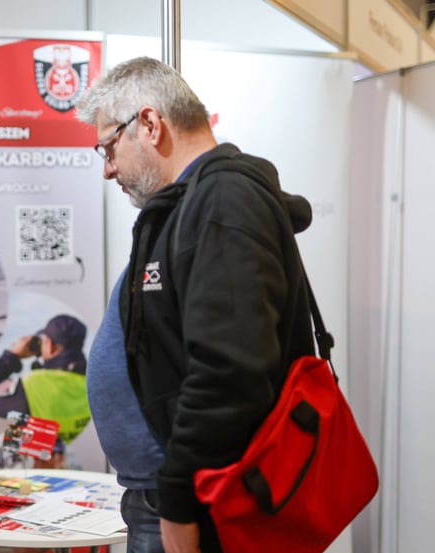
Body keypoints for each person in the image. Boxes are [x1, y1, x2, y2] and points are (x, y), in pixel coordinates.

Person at [76, 57, 315, 553]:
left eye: (108, 146)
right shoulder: (192, 204)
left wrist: (181, 505)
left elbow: (230, 373)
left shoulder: (224, 203)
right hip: (171, 498)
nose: (107, 169)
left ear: (149, 124)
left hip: (201, 505)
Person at [0, 314, 91, 445]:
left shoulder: (33, 383)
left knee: (7, 429)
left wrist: (12, 357)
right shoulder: (90, 386)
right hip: (63, 456)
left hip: (35, 459)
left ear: (50, 346)